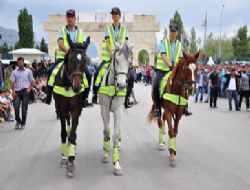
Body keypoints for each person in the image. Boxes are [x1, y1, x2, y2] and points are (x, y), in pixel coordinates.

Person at [45, 9, 85, 105]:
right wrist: (69, 52)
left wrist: (76, 54)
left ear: (75, 18)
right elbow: (60, 44)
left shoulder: (80, 32)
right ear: (66, 18)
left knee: (87, 73)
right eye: (68, 16)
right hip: (62, 58)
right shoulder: (61, 30)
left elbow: (83, 45)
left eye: (72, 16)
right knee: (51, 71)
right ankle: (48, 96)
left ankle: (85, 98)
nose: (70, 18)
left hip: (76, 59)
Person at [92, 7, 128, 104]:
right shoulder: (108, 28)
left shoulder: (125, 29)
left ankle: (128, 98)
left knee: (131, 76)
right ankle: (95, 94)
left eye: (116, 14)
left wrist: (121, 55)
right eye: (113, 14)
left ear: (119, 16)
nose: (114, 16)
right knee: (97, 73)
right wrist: (113, 53)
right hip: (109, 58)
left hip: (120, 59)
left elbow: (125, 44)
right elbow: (107, 43)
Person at [152, 24, 185, 118]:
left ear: (177, 33)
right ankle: (157, 109)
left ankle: (185, 107)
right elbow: (163, 55)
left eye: (174, 31)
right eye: (171, 31)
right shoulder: (164, 42)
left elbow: (180, 58)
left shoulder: (180, 45)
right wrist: (170, 65)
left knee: (184, 84)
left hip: (175, 70)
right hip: (163, 70)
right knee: (156, 85)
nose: (172, 33)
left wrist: (176, 66)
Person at [10, 57, 34, 129]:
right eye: (19, 62)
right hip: (17, 92)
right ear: (17, 63)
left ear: (23, 63)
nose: (20, 63)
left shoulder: (28, 71)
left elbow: (32, 81)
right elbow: (12, 82)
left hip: (25, 91)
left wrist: (29, 88)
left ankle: (23, 123)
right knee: (16, 107)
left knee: (24, 108)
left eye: (21, 62)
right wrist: (13, 92)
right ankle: (18, 120)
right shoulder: (14, 72)